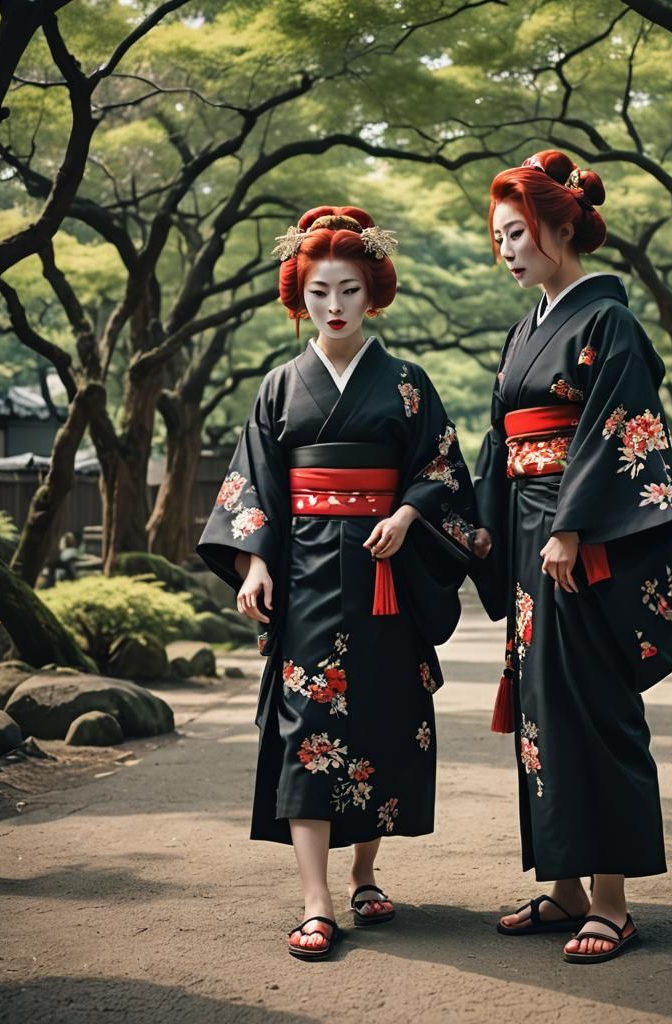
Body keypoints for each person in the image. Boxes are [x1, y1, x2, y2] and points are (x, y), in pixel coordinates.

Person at [197, 206, 481, 961]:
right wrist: (253, 561)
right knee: (306, 732)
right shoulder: (279, 388)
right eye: (320, 290)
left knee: (384, 722)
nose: (334, 305)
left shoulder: (409, 384)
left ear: (372, 294)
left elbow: (445, 470)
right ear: (301, 296)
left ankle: (365, 873)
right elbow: (251, 485)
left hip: (386, 575)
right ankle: (316, 902)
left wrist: (412, 513)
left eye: (349, 290)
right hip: (307, 574)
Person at [472, 151, 672, 965]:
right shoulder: (525, 329)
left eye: (518, 234)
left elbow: (618, 425)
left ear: (564, 227)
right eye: (498, 238)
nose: (507, 250)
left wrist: (572, 524)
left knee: (594, 703)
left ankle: (613, 902)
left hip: (582, 541)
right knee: (541, 711)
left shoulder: (609, 323)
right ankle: (563, 886)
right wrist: (487, 529)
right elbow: (502, 439)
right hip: (531, 540)